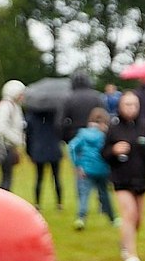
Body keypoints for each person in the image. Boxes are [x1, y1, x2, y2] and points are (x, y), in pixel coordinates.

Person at [105, 89, 145, 261]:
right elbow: (103, 153)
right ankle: (131, 254)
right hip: (121, 179)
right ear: (120, 106)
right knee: (129, 214)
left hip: (141, 179)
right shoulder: (113, 128)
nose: (131, 108)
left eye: (134, 105)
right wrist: (114, 150)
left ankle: (125, 242)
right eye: (127, 104)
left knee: (138, 219)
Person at [68, 107, 115, 232]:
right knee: (104, 194)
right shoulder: (105, 135)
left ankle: (81, 218)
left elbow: (72, 147)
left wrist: (77, 165)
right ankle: (112, 218)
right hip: (102, 169)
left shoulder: (83, 134)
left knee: (84, 195)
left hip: (86, 169)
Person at [60, 73, 103, 206]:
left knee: (79, 170)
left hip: (76, 138)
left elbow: (60, 122)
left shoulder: (68, 98)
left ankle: (82, 201)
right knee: (99, 167)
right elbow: (105, 117)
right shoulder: (97, 97)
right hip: (97, 139)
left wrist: (66, 137)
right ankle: (101, 200)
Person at [24, 90, 65, 210]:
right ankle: (59, 203)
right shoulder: (55, 115)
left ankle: (37, 203)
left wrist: (29, 151)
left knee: (39, 177)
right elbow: (60, 131)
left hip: (39, 150)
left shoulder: (31, 117)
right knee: (56, 177)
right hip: (53, 149)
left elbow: (29, 136)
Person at [0, 80, 27, 193]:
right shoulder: (5, 106)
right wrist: (17, 139)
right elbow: (0, 127)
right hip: (5, 147)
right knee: (6, 178)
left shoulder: (14, 106)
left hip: (10, 147)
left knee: (8, 177)